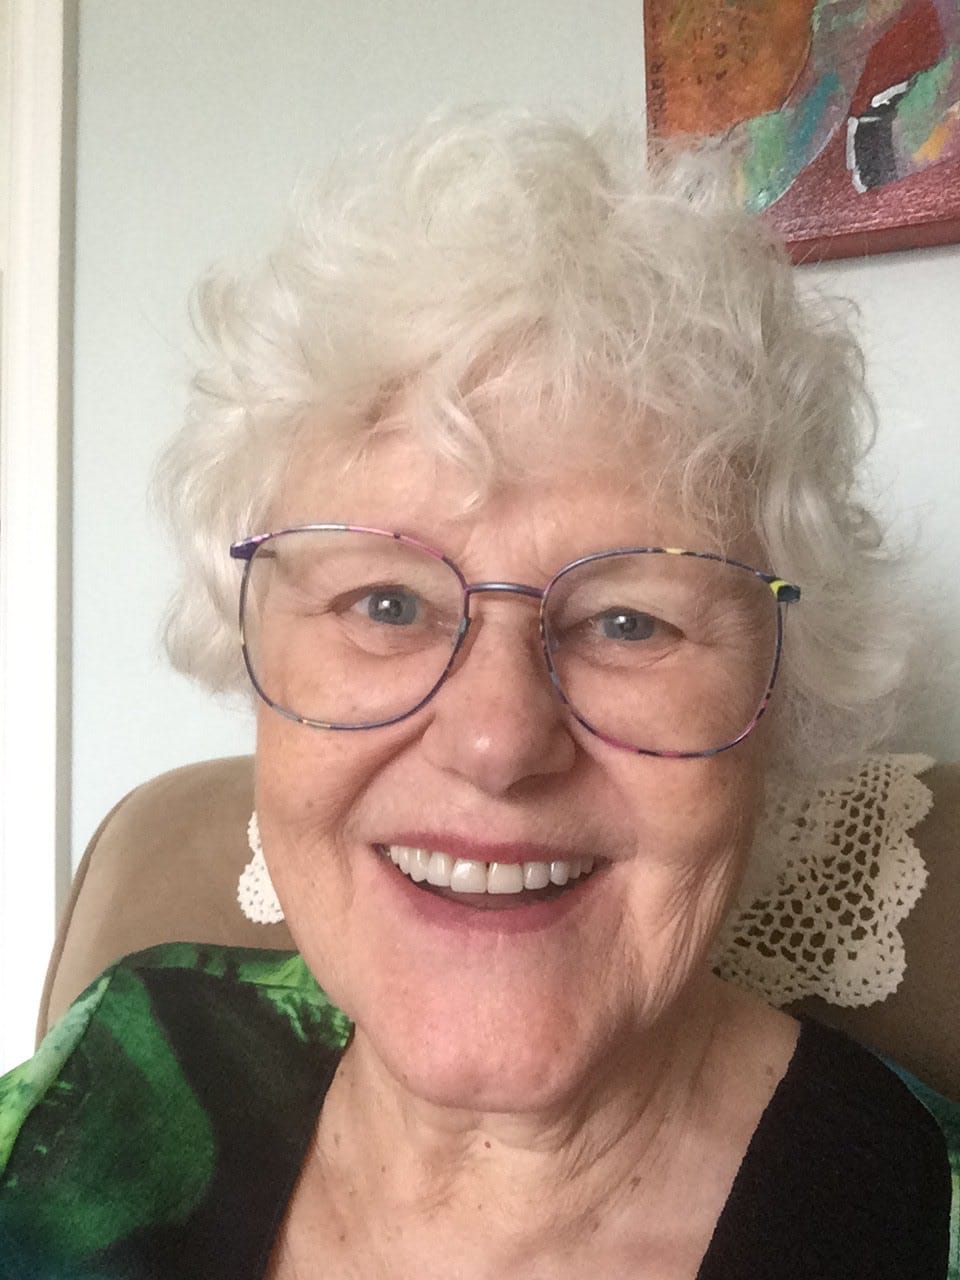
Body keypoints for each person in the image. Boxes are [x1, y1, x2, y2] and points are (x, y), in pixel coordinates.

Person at [0, 111, 956, 1280]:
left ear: (780, 691)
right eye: (389, 604)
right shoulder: (122, 1070)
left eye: (629, 620)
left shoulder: (915, 1226)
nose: (499, 739)